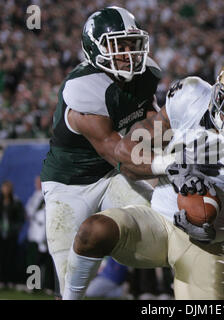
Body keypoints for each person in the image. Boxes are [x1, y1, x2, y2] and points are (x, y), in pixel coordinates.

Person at [62, 56, 224, 300]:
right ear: (216, 91)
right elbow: (126, 152)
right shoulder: (190, 96)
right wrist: (167, 165)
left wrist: (220, 235)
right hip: (158, 221)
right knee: (94, 231)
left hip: (203, 241)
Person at [39, 6, 162, 297]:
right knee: (71, 287)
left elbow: (154, 128)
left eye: (131, 44)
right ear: (95, 48)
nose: (128, 53)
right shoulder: (84, 87)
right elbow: (119, 155)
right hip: (69, 184)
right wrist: (171, 164)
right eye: (118, 45)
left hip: (111, 176)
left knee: (165, 219)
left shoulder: (146, 75)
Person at [0, 180, 25, 288]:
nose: (6, 190)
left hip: (11, 235)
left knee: (10, 258)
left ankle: (9, 280)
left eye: (8, 188)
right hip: (1, 234)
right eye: (4, 188)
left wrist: (15, 229)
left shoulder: (16, 202)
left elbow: (20, 218)